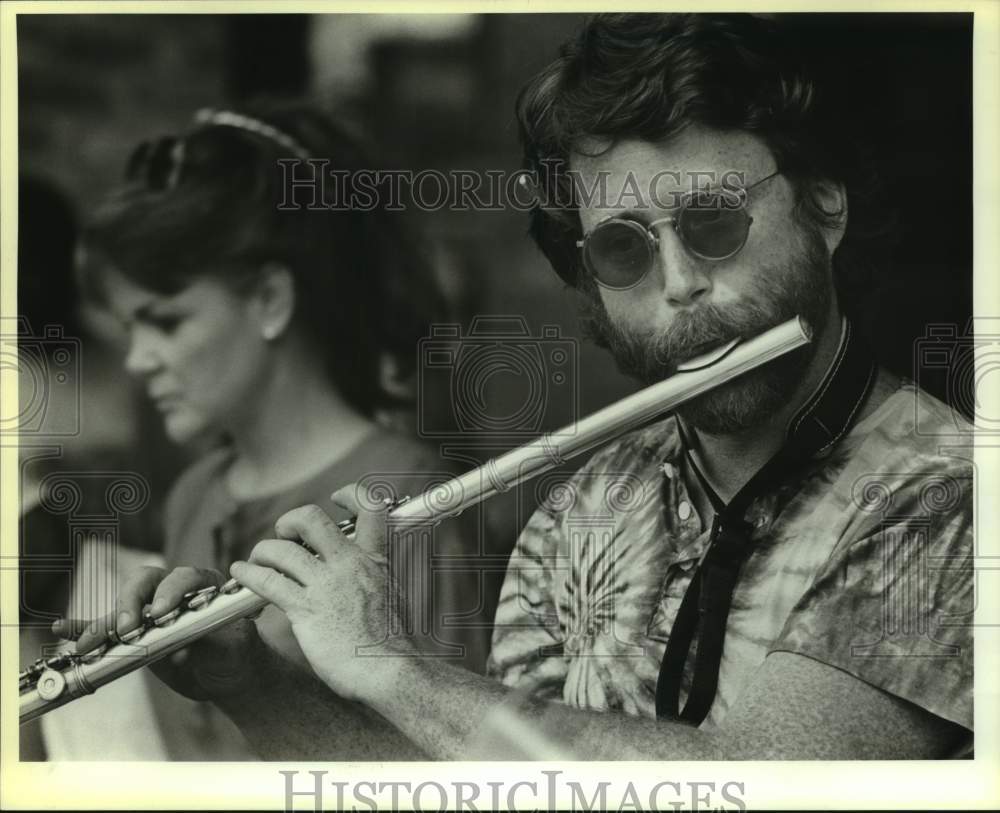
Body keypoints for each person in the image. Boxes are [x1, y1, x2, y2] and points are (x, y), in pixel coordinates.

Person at [64, 14, 972, 760]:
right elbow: (500, 775)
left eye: (713, 221)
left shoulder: (946, 492)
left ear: (824, 206)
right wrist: (256, 693)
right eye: (623, 247)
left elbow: (765, 785)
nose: (680, 282)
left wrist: (396, 667)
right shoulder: (585, 508)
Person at [54, 103, 490, 759]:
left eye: (165, 321)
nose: (140, 358)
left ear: (270, 300)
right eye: (130, 328)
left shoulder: (406, 498)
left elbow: (453, 754)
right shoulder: (195, 492)